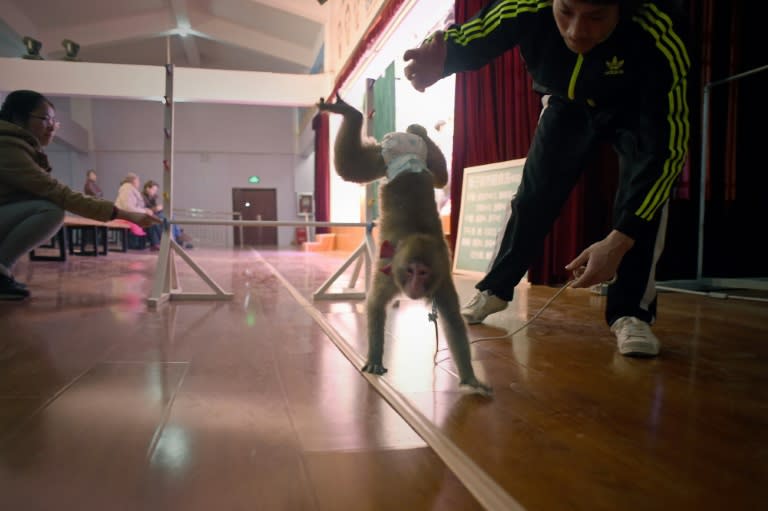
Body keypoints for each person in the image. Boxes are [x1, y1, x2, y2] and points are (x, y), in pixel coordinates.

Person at [402, 0, 690, 357]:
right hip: (566, 104)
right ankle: (494, 289)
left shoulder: (659, 34)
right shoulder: (525, 5)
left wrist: (619, 240)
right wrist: (446, 57)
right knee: (532, 196)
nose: (576, 31)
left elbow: (665, 152)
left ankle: (631, 314)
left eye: (596, 16)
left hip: (634, 107)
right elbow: (481, 33)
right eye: (566, 12)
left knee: (643, 201)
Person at [0, 90, 160, 301]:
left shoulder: (20, 147)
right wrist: (129, 215)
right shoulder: (7, 147)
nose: (51, 126)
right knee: (50, 210)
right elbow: (59, 194)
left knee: (47, 205)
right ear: (18, 117)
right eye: (45, 119)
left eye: (54, 121)